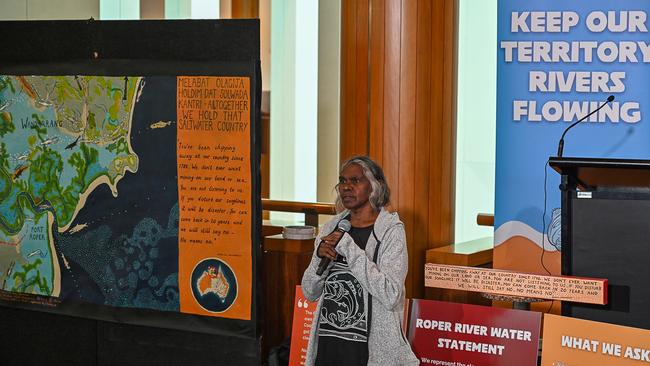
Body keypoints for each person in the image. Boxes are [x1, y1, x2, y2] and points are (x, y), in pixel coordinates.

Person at [301, 156, 419, 365]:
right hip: (329, 345)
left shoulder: (390, 232)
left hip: (369, 350)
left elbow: (391, 295)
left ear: (375, 186)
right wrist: (318, 260)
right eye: (342, 181)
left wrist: (349, 248)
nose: (346, 187)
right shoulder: (330, 228)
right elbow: (309, 292)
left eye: (355, 181)